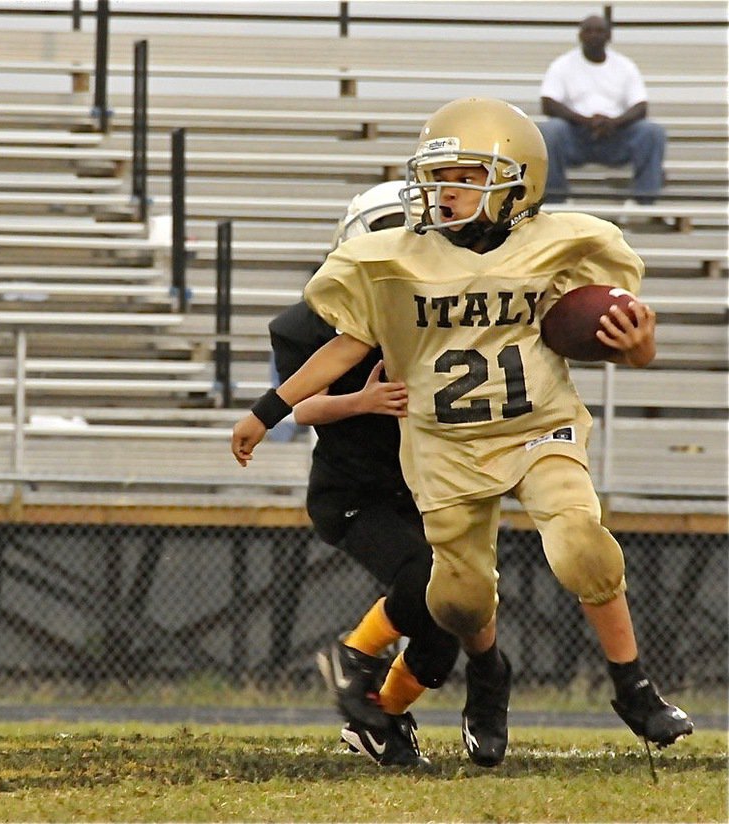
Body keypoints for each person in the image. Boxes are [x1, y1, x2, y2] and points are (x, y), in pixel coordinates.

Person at [232, 98, 693, 767]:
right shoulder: (391, 262)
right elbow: (339, 349)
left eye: (464, 177)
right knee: (457, 599)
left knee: (580, 546)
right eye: (440, 176)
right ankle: (478, 684)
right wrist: (265, 411)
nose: (442, 192)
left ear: (518, 183)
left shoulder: (560, 245)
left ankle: (634, 686)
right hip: (444, 447)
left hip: (537, 426)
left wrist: (641, 348)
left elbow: (627, 347)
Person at [270, 180, 459, 768]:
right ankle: (355, 657)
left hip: (424, 483)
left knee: (449, 624)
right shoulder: (307, 324)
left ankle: (380, 723)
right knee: (423, 575)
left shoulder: (441, 311)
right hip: (354, 489)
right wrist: (362, 403)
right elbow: (301, 407)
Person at [539, 15, 666, 205]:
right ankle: (557, 199)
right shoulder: (562, 65)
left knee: (652, 132)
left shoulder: (625, 66)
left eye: (599, 31)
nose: (594, 35)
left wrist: (613, 122)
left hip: (615, 136)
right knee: (550, 130)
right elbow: (548, 103)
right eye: (588, 30)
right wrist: (587, 121)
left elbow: (641, 107)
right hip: (576, 137)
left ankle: (644, 202)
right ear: (580, 35)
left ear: (609, 36)